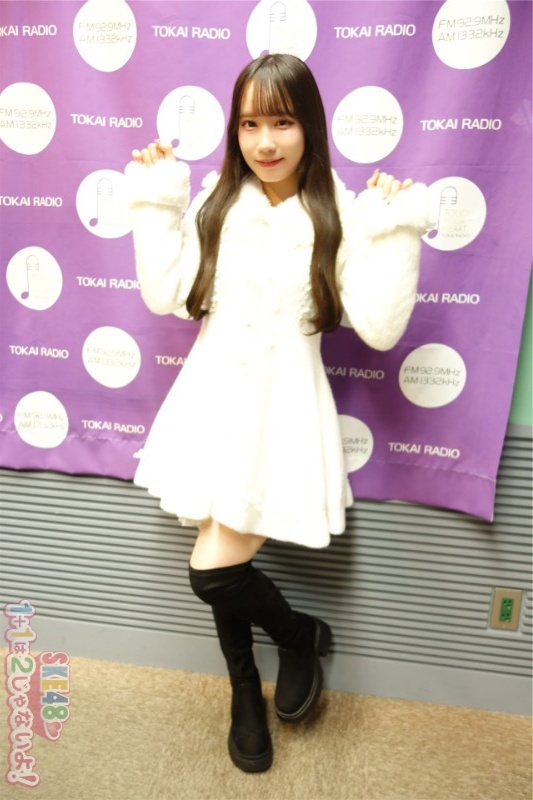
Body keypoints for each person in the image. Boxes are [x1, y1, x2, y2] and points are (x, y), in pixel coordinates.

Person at [125, 53, 430, 773]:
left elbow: (380, 326)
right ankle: (247, 686)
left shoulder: (340, 213)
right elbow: (164, 294)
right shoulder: (215, 202)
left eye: (282, 123)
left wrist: (394, 231)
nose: (265, 142)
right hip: (208, 404)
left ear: (309, 127)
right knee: (216, 547)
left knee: (212, 570)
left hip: (281, 413)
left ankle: (296, 637)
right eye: (249, 124)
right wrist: (156, 204)